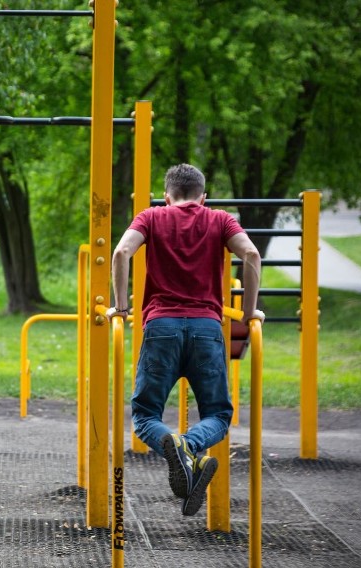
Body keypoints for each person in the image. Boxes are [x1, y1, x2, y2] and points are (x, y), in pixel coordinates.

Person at [108, 163, 263, 516]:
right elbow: (251, 254)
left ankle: (179, 448)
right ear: (203, 197)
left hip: (161, 326)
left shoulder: (151, 216)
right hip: (207, 328)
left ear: (167, 196)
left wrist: (122, 305)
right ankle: (189, 447)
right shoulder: (220, 219)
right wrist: (250, 311)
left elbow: (120, 253)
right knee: (219, 415)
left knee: (146, 415)